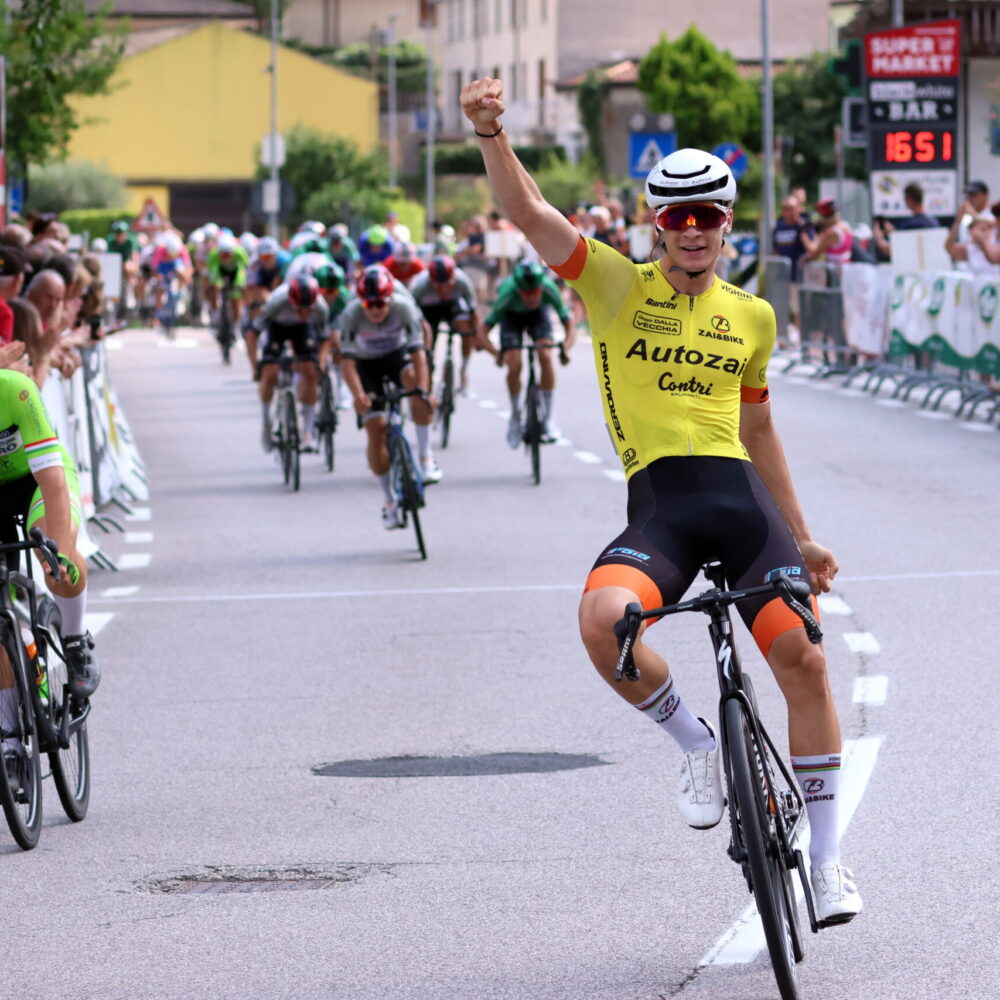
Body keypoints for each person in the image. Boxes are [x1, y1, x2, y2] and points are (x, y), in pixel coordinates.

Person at [460, 75, 862, 926]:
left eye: (706, 216)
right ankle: (700, 749)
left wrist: (805, 534)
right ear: (655, 223)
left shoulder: (752, 315)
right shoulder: (613, 286)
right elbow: (532, 215)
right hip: (662, 510)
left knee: (808, 663)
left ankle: (828, 863)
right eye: (674, 216)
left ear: (726, 223)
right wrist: (492, 135)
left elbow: (760, 434)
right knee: (604, 620)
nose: (690, 230)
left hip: (742, 509)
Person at [0, 368, 100, 741]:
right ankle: (9, 739)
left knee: (58, 565)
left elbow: (53, 484)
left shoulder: (15, 390)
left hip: (38, 484)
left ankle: (74, 641)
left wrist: (55, 554)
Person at [339, 266, 440, 528]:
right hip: (366, 364)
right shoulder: (351, 314)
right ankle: (389, 501)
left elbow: (419, 355)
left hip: (397, 357)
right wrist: (358, 395)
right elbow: (347, 364)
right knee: (376, 428)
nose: (375, 309)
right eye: (369, 304)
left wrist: (424, 390)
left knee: (416, 388)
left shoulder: (404, 307)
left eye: (381, 302)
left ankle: (426, 457)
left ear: (390, 298)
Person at [484, 258, 574, 448]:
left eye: (535, 293)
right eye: (527, 294)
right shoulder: (506, 294)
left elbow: (569, 324)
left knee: (545, 356)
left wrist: (566, 347)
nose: (532, 298)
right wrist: (497, 354)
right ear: (518, 291)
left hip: (539, 316)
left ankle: (549, 419)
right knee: (514, 364)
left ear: (541, 288)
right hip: (511, 318)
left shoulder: (549, 288)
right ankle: (515, 417)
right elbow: (482, 332)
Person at [253, 274, 328, 453]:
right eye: (299, 309)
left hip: (303, 330)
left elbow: (326, 338)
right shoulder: (276, 302)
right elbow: (252, 333)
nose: (303, 313)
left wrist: (322, 362)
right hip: (277, 328)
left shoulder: (320, 306)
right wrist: (254, 365)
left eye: (307, 310)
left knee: (311, 372)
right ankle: (266, 422)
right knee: (269, 374)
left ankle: (308, 432)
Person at [409, 255, 495, 394]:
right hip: (428, 311)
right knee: (427, 343)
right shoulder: (420, 285)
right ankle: (428, 375)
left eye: (447, 285)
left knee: (465, 329)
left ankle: (463, 371)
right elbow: (411, 317)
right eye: (437, 286)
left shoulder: (462, 281)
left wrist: (476, 335)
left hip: (451, 307)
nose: (443, 289)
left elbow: (473, 312)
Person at [772, 196, 814, 283]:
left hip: (801, 277)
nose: (788, 212)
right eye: (785, 209)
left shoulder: (804, 226)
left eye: (791, 208)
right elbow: (775, 250)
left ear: (798, 209)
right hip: (783, 277)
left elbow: (811, 250)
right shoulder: (779, 226)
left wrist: (802, 232)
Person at [802, 199, 853, 266]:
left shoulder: (831, 233)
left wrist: (803, 234)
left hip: (835, 272)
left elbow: (813, 254)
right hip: (846, 268)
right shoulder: (846, 225)